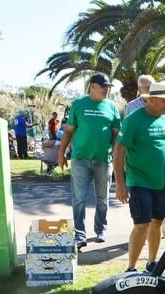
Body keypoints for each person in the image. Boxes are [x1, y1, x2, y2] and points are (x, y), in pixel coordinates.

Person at [114, 82, 165, 272]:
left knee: (158, 222)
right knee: (142, 224)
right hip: (140, 181)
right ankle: (131, 267)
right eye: (164, 101)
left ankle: (152, 263)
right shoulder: (133, 119)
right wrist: (120, 183)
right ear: (150, 100)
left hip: (163, 181)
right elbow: (119, 151)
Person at [58, 73, 121, 249]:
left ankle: (101, 230)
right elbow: (69, 131)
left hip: (103, 160)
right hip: (80, 160)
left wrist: (116, 157)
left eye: (108, 86)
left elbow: (116, 135)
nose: (106, 89)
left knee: (103, 198)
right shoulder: (78, 105)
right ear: (92, 86)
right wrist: (61, 154)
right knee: (79, 198)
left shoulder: (112, 107)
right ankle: (80, 235)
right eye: (103, 86)